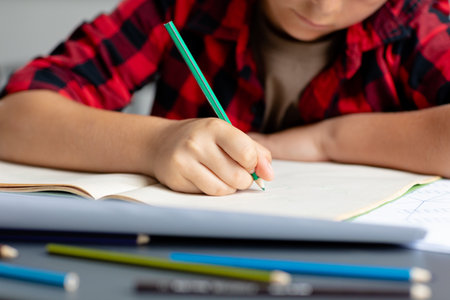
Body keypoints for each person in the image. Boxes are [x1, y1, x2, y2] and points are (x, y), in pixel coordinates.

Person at [0, 0, 449, 196]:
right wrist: (154, 145)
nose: (323, 7)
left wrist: (325, 141)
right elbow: (16, 114)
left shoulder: (419, 20)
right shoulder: (185, 6)